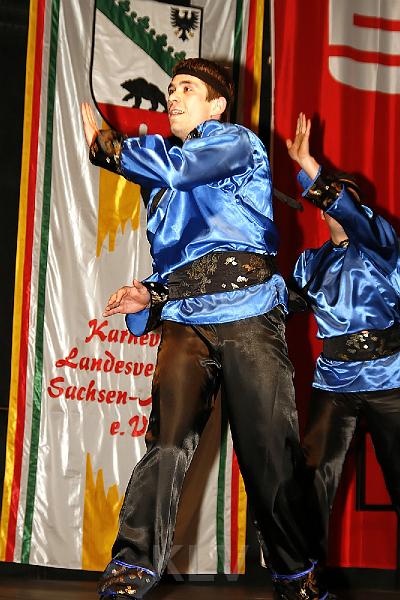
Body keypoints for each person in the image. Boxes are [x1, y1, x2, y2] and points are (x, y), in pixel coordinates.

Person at [82, 60, 325, 600]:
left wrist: (109, 147)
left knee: (270, 455)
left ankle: (298, 580)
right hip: (187, 321)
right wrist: (151, 293)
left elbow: (180, 171)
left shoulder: (234, 142)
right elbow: (177, 260)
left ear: (217, 104)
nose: (172, 96)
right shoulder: (162, 182)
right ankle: (131, 569)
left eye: (186, 88)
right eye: (169, 89)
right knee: (166, 444)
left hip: (248, 315)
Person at [287, 112, 400, 569]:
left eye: (346, 199)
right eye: (331, 198)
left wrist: (309, 166)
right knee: (313, 481)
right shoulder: (309, 264)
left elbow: (352, 212)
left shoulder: (382, 247)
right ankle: (306, 582)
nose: (338, 205)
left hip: (391, 379)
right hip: (334, 384)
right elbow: (275, 301)